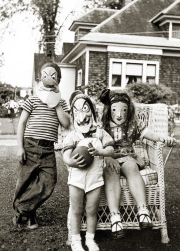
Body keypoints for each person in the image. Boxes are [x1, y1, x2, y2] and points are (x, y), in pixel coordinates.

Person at [99, 88, 176, 239]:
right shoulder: (103, 124)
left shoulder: (133, 123)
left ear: (129, 110)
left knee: (131, 167)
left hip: (128, 157)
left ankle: (142, 210)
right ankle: (115, 217)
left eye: (124, 110)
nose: (119, 114)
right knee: (110, 172)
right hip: (110, 158)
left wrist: (164, 138)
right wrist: (107, 157)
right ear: (109, 110)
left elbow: (150, 134)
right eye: (115, 110)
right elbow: (96, 142)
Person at [13, 62, 71, 230]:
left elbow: (66, 123)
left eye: (54, 76)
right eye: (46, 74)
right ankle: (29, 215)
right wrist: (19, 147)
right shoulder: (32, 99)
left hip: (47, 149)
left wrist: (57, 103)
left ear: (58, 80)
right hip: (30, 145)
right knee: (26, 182)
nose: (50, 78)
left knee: (49, 181)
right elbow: (22, 123)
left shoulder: (61, 102)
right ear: (40, 78)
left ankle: (22, 209)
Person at [63, 90, 114, 251]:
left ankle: (90, 239)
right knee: (76, 210)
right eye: (76, 110)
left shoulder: (100, 133)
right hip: (76, 180)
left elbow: (111, 149)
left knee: (92, 210)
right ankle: (76, 240)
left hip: (95, 179)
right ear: (72, 115)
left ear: (92, 112)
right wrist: (70, 161)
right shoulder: (72, 136)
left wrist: (100, 152)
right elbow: (65, 154)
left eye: (85, 109)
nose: (81, 115)